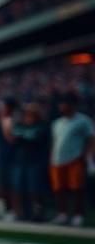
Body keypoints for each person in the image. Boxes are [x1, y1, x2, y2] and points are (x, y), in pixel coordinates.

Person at [49, 92, 94, 226]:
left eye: (64, 104)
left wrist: (87, 155)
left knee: (77, 188)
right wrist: (51, 157)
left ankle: (78, 214)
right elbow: (55, 141)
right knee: (58, 189)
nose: (61, 107)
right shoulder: (57, 123)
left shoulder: (83, 120)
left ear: (72, 105)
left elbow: (91, 139)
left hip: (75, 158)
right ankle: (61, 214)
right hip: (57, 160)